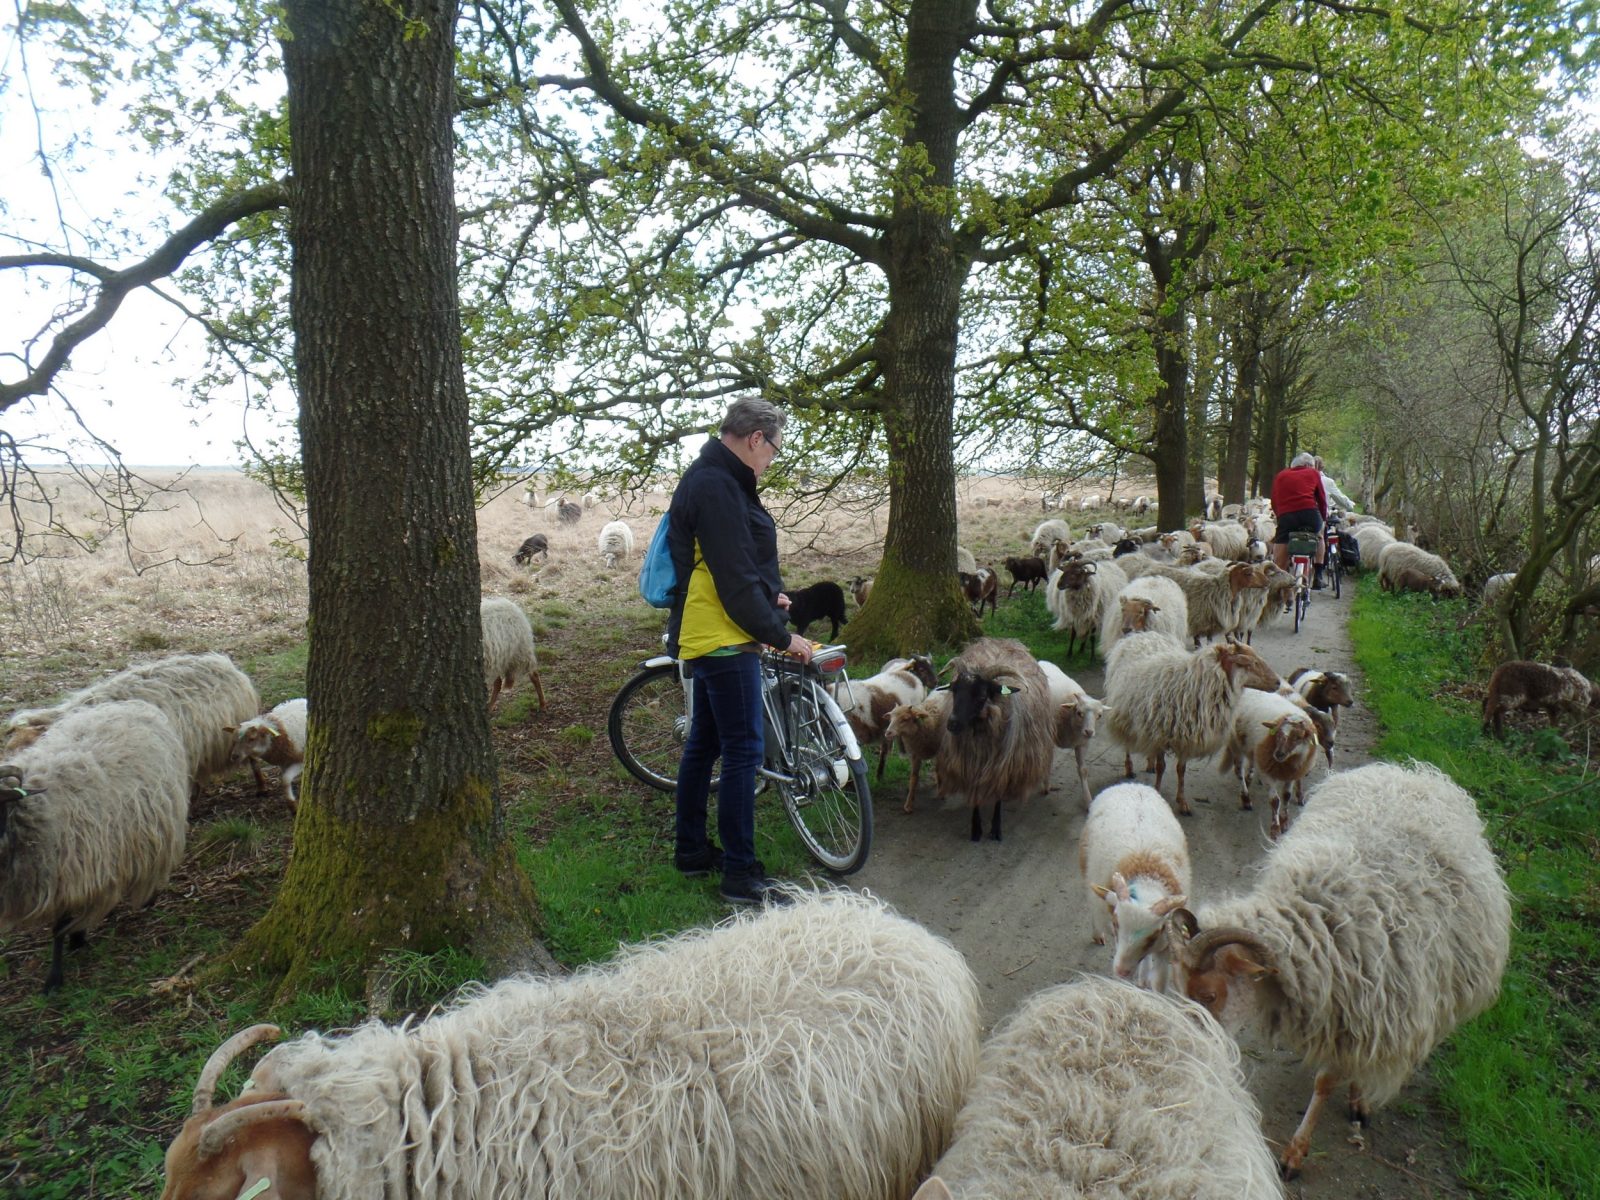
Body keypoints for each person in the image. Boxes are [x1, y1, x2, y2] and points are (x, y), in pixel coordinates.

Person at [665, 398, 814, 906]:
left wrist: (767, 596)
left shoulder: (711, 476)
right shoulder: (718, 485)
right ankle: (741, 876)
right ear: (756, 438)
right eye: (775, 448)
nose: (773, 457)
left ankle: (689, 853)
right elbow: (729, 579)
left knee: (704, 745)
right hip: (724, 639)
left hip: (707, 632)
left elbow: (725, 563)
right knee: (743, 752)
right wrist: (781, 634)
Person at [1271, 450, 1328, 590]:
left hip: (1286, 516)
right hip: (1310, 514)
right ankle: (1319, 575)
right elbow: (1321, 499)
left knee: (1282, 540)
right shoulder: (1313, 473)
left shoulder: (1280, 475)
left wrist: (1280, 516)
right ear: (1309, 465)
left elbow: (1274, 500)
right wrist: (1322, 519)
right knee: (1319, 536)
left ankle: (1279, 577)